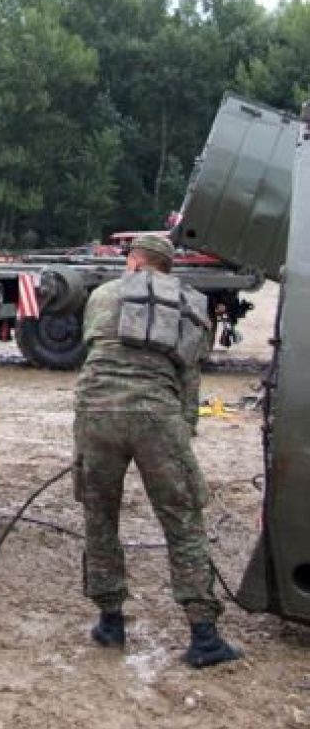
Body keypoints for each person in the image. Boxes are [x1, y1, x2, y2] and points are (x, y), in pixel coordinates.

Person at [73, 232, 242, 668]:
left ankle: (110, 622)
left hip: (96, 412)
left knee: (100, 516)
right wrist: (183, 432)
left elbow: (92, 350)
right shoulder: (189, 304)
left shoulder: (102, 296)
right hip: (158, 416)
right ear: (167, 268)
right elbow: (189, 380)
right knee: (182, 519)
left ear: (133, 262)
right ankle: (204, 637)